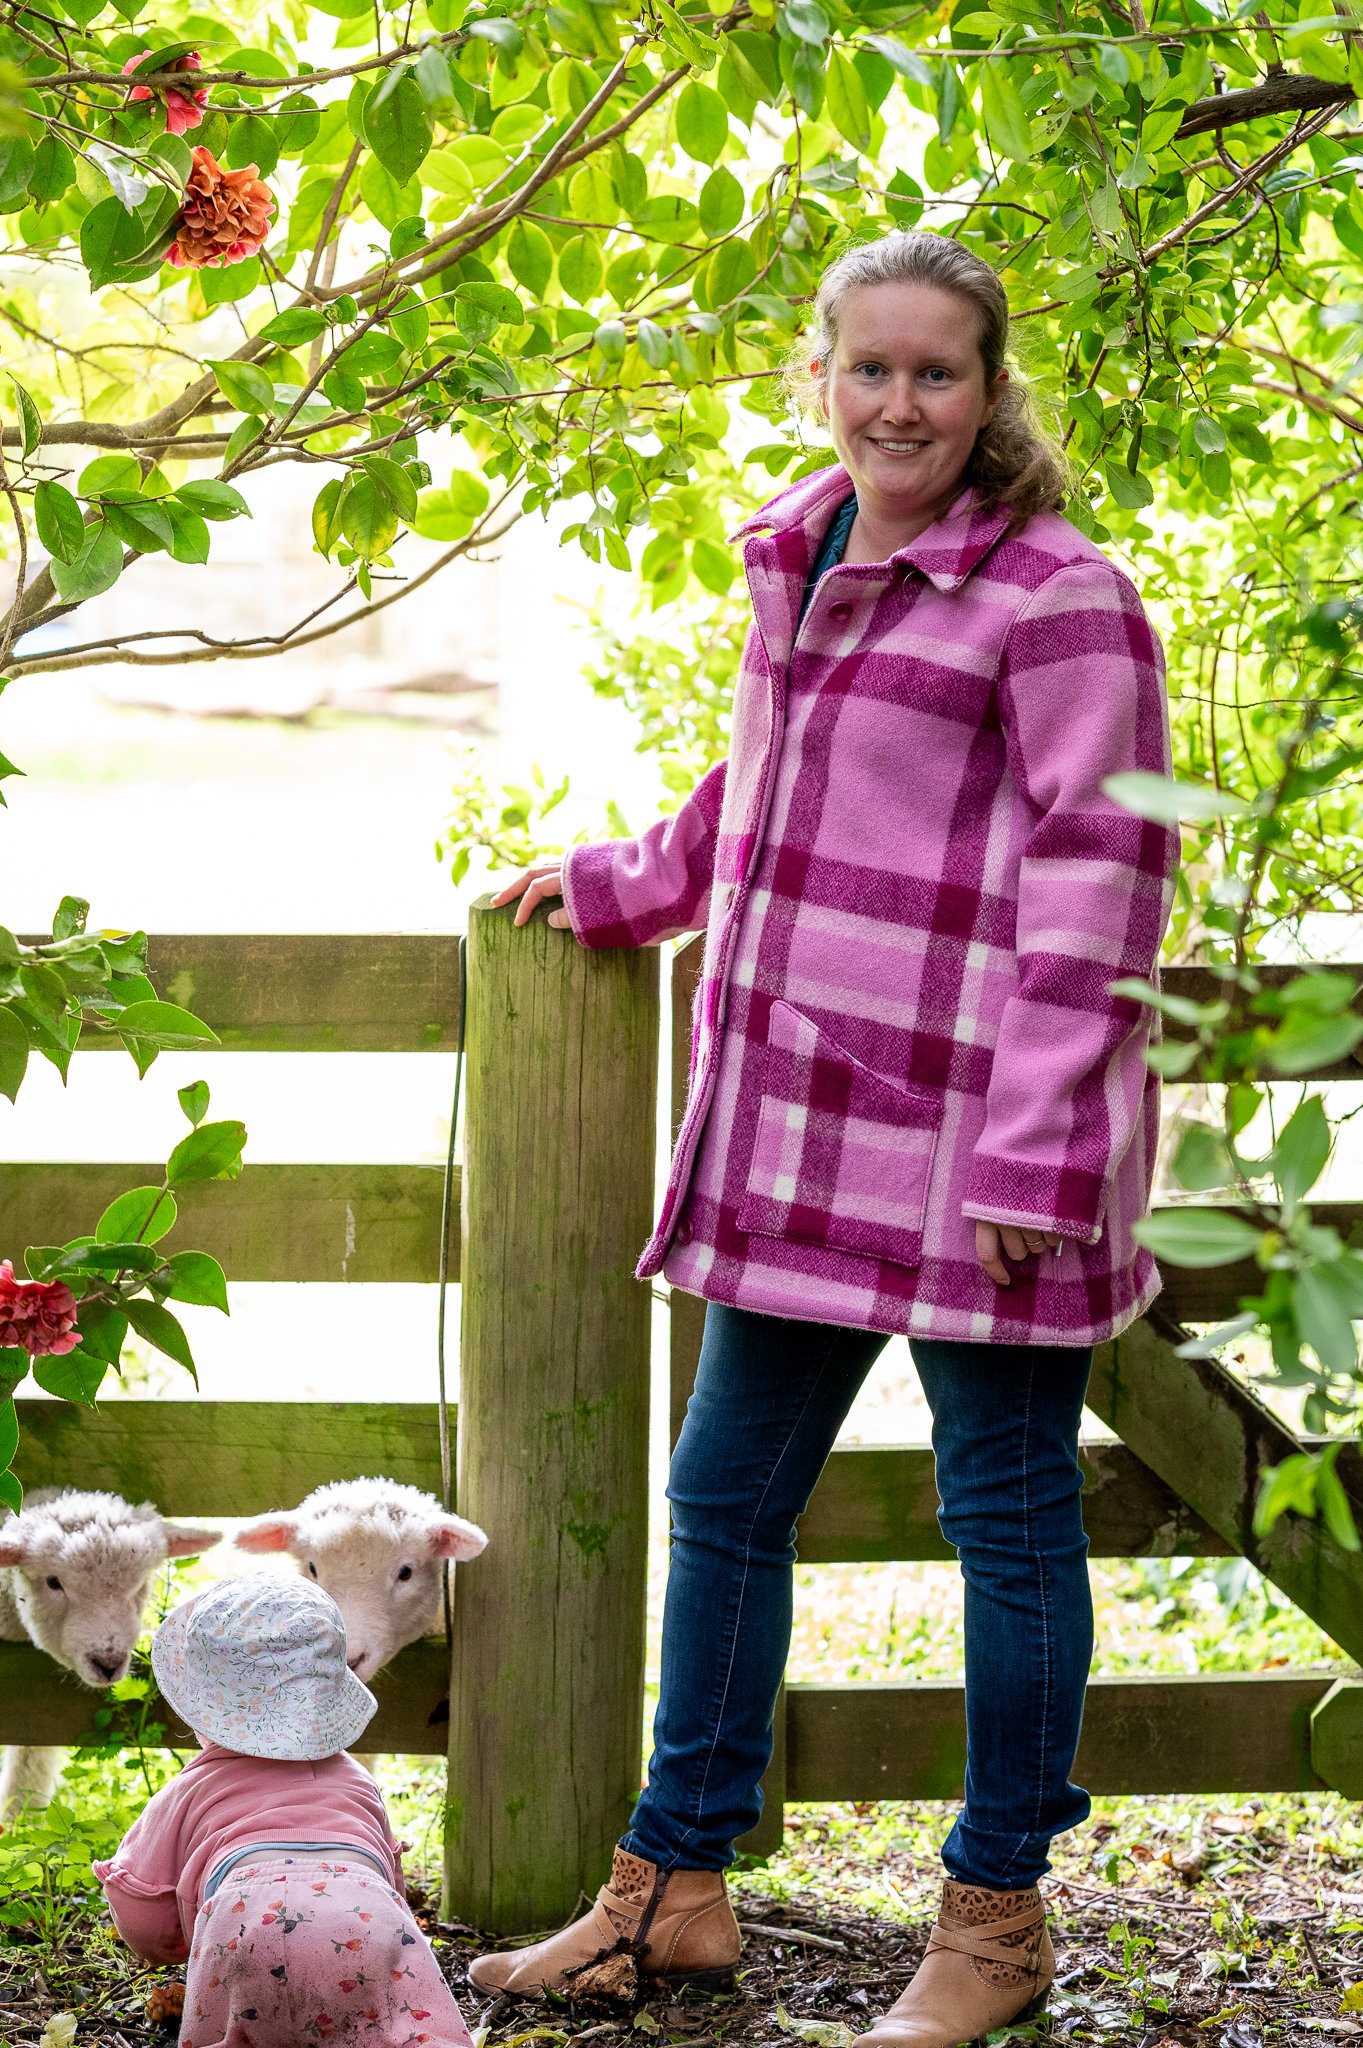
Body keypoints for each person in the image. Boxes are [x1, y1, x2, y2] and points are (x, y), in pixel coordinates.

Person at [471, 229, 1178, 2047]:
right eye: (867, 368)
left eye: (935, 371)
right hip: (803, 1122)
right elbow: (771, 787)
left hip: (987, 1143)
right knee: (721, 1499)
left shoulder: (1057, 596)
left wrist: (1033, 1155)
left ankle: (994, 1918)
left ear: (988, 385)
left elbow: (1106, 877)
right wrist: (630, 878)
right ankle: (669, 1886)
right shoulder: (798, 552)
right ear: (821, 374)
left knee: (1002, 1524)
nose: (897, 402)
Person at [94, 1575, 473, 2048]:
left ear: (199, 1708)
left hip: (245, 1925)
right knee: (405, 2032)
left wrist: (171, 1947)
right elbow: (387, 1878)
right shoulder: (359, 1782)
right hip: (366, 1917)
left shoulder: (189, 1790)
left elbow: (144, 1914)